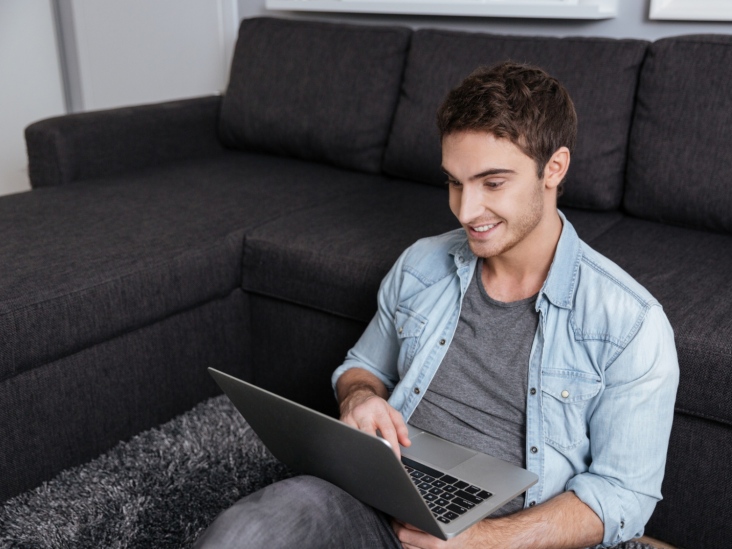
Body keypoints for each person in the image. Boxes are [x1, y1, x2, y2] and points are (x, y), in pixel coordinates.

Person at [194, 61, 679, 549]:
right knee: (245, 533)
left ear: (553, 168)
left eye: (492, 183)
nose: (466, 211)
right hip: (379, 497)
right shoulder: (422, 264)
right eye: (453, 182)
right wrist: (360, 398)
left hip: (511, 538)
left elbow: (623, 494)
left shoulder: (629, 323)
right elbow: (361, 367)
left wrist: (480, 541)